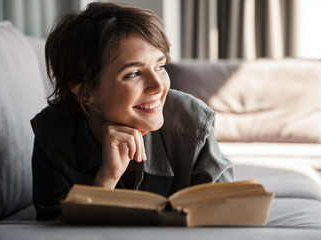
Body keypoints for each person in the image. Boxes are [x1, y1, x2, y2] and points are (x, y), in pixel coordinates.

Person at [31, 2, 234, 221]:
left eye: (160, 66)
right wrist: (106, 179)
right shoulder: (53, 135)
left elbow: (230, 215)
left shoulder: (192, 122)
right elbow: (52, 229)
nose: (158, 86)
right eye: (134, 73)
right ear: (84, 90)